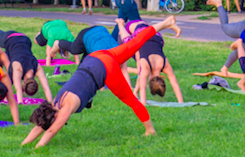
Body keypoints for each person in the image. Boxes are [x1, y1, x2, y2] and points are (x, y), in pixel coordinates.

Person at [22, 16, 179, 148]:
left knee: (131, 99)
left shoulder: (65, 108)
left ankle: (150, 131)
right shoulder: (54, 103)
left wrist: (37, 148)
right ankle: (166, 23)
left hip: (105, 69)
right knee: (136, 42)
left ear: (54, 117)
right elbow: (42, 125)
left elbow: (51, 130)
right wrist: (24, 144)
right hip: (96, 57)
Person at [0, 18, 53, 104]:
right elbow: (18, 88)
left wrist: (50, 102)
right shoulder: (18, 68)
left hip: (25, 39)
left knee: (11, 65)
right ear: (24, 83)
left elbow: (46, 88)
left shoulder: (37, 68)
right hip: (10, 38)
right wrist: (20, 102)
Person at [117, 19, 183, 104]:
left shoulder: (165, 65)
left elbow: (176, 85)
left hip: (156, 35)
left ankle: (135, 93)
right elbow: (143, 87)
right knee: (128, 44)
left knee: (139, 60)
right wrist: (143, 103)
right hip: (139, 32)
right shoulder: (147, 67)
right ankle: (120, 24)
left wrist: (181, 103)